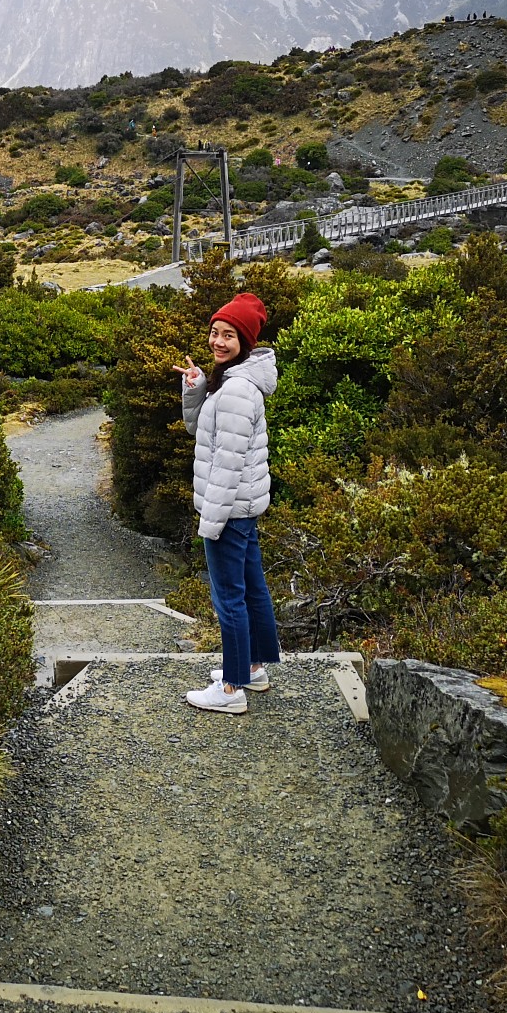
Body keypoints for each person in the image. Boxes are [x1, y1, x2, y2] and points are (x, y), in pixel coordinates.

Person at [172, 291, 281, 715]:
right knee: (253, 589)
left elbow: (227, 464)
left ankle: (232, 690)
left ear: (246, 342)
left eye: (229, 336)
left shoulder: (236, 391)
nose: (218, 342)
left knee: (228, 598)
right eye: (215, 332)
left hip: (229, 508)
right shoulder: (232, 382)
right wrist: (197, 388)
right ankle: (252, 667)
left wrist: (210, 520)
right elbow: (199, 430)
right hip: (243, 508)